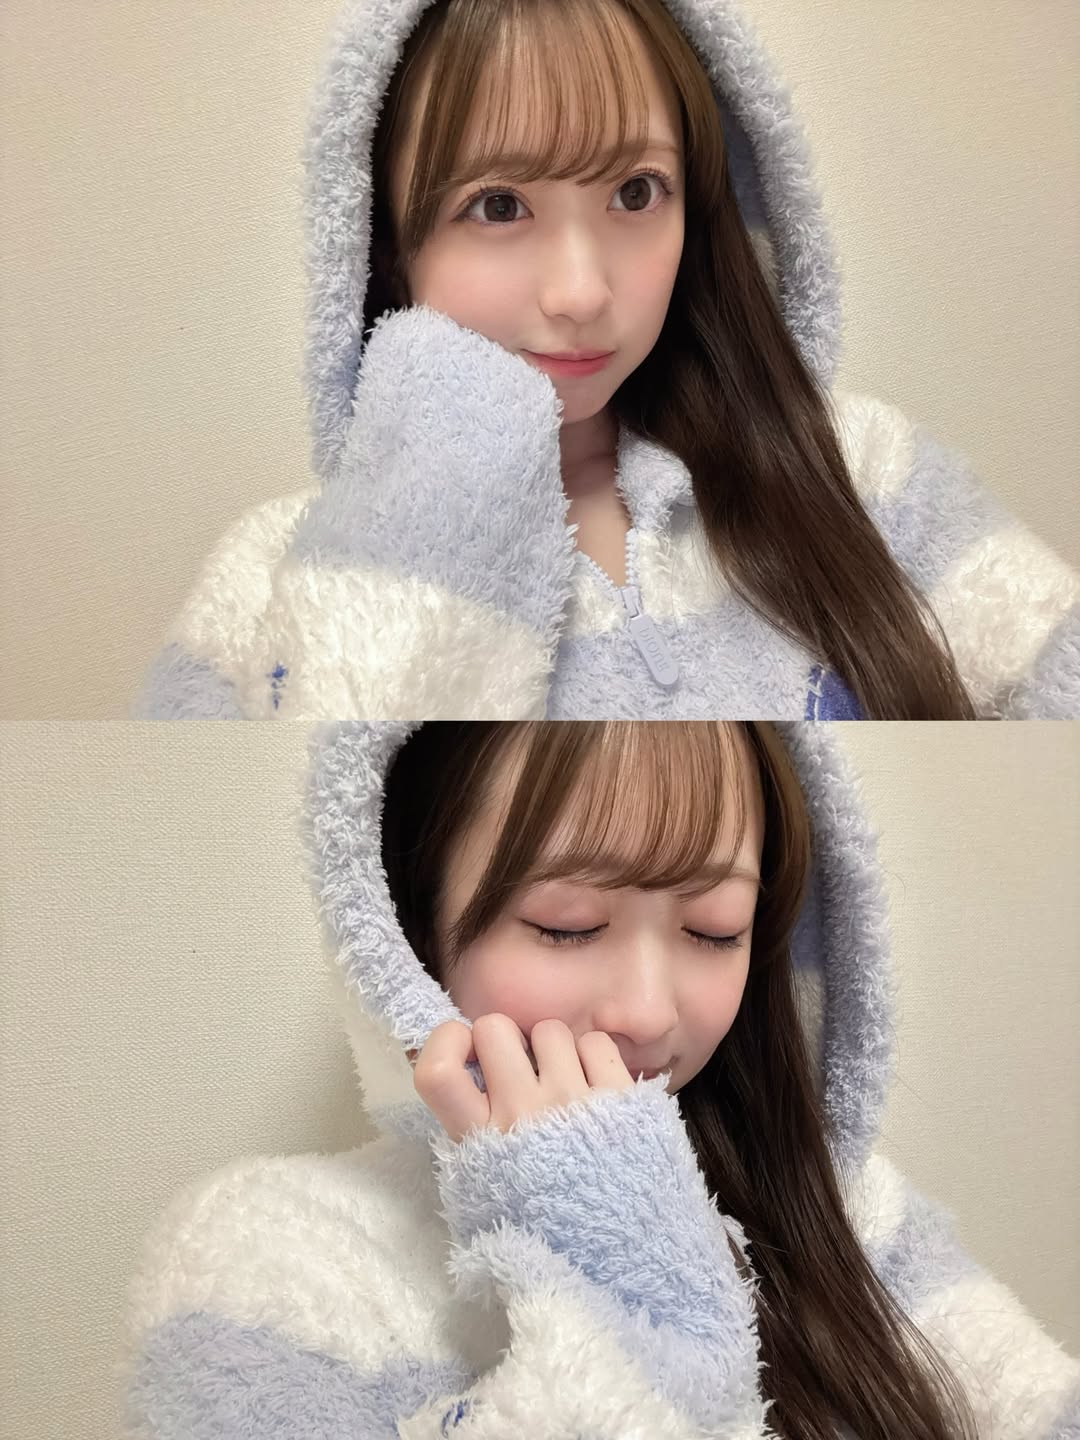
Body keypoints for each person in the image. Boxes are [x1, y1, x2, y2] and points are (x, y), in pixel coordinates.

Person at [117, 720, 1080, 1437]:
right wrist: (611, 1256)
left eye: (714, 930)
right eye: (566, 926)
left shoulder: (855, 1216)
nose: (649, 1014)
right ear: (406, 931)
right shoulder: (272, 1262)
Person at [130, 0, 1079, 722]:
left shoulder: (863, 471)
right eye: (498, 206)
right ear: (386, 247)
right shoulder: (268, 573)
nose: (581, 291)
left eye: (635, 191)